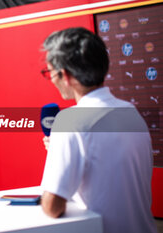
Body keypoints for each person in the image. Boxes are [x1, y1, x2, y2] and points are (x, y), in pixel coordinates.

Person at [40, 27, 157, 233]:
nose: (51, 80)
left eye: (49, 73)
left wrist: (61, 148)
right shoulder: (132, 113)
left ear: (65, 75)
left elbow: (52, 207)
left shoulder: (69, 121)